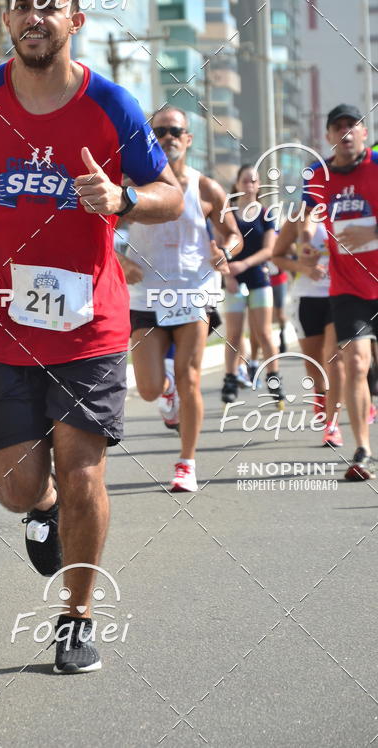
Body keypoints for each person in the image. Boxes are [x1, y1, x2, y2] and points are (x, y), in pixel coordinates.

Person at [0, 0, 183, 673]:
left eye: (49, 5)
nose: (34, 16)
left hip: (89, 327)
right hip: (1, 329)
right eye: (21, 5)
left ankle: (78, 617)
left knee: (83, 473)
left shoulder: (111, 105)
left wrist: (124, 201)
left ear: (75, 21)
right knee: (17, 489)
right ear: (8, 19)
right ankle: (40, 517)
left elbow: (169, 192)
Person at [117, 107, 241, 492]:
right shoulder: (132, 186)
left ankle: (186, 463)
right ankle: (165, 391)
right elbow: (101, 230)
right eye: (160, 132)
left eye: (176, 131)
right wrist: (121, 260)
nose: (169, 137)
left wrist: (226, 252)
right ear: (150, 139)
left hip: (193, 291)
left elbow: (233, 233)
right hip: (146, 293)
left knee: (190, 376)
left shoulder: (206, 188)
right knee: (150, 388)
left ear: (188, 139)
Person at [301, 104, 378, 480]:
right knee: (355, 364)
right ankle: (363, 449)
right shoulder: (318, 175)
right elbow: (306, 219)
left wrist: (372, 232)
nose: (346, 132)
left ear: (364, 132)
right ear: (329, 136)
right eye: (338, 127)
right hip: (348, 287)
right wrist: (303, 239)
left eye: (353, 126)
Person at [272, 218, 344, 447]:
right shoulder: (297, 219)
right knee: (315, 365)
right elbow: (277, 256)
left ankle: (332, 426)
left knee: (335, 359)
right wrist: (305, 268)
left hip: (340, 294)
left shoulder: (342, 209)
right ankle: (321, 395)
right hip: (306, 298)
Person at [221, 164, 285, 406]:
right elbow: (218, 246)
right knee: (234, 334)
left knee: (264, 332)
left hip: (258, 278)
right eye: (245, 181)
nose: (249, 185)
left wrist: (244, 264)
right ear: (237, 184)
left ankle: (273, 378)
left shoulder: (266, 214)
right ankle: (230, 379)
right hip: (233, 281)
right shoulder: (227, 213)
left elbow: (269, 250)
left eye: (254, 181)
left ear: (259, 186)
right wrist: (228, 275)